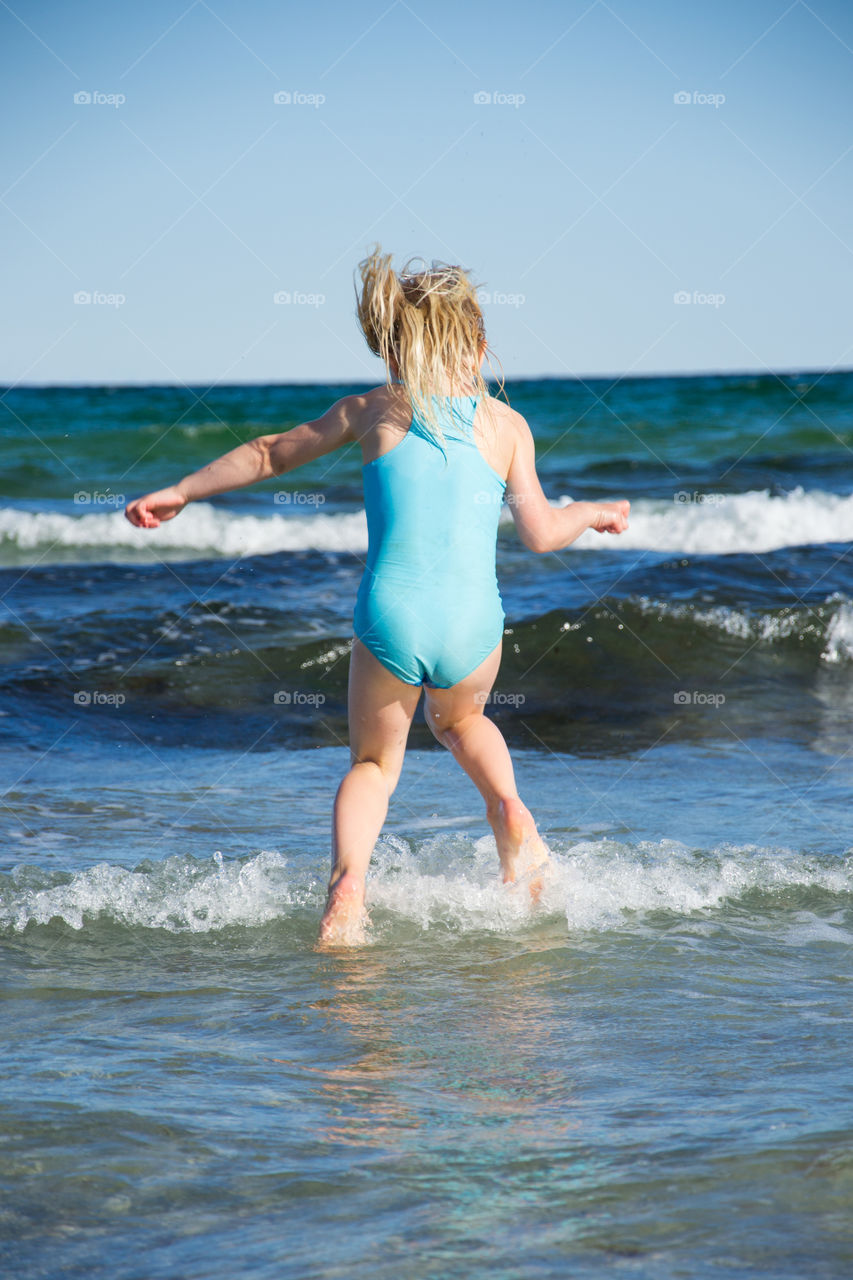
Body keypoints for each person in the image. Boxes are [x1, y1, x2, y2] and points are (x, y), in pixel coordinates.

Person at [125, 247, 630, 945]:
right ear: (479, 343)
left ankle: (348, 888)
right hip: (473, 621)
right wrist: (596, 511)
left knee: (372, 763)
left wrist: (180, 489)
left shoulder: (375, 410)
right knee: (462, 723)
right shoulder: (508, 426)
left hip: (393, 613)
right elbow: (541, 533)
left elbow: (270, 451)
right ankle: (510, 811)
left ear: (392, 347)